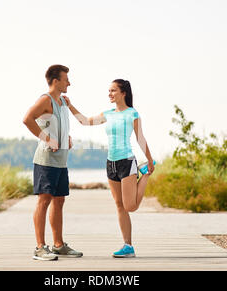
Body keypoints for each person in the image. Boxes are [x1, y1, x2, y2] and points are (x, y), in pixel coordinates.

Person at [64, 79, 155, 258]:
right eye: (109, 91)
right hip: (110, 163)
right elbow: (85, 121)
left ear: (123, 93)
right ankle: (128, 246)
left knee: (130, 206)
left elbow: (140, 139)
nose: (110, 94)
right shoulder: (108, 114)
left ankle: (144, 176)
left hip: (126, 161)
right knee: (119, 205)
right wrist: (70, 105)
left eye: (113, 90)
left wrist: (149, 160)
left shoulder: (132, 114)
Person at [22, 64, 83, 261]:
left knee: (59, 200)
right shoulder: (45, 100)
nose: (69, 83)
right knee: (44, 200)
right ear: (56, 81)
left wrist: (67, 138)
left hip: (61, 161)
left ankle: (58, 245)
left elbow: (59, 125)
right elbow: (27, 119)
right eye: (66, 79)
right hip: (46, 161)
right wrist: (47, 138)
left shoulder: (63, 102)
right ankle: (40, 247)